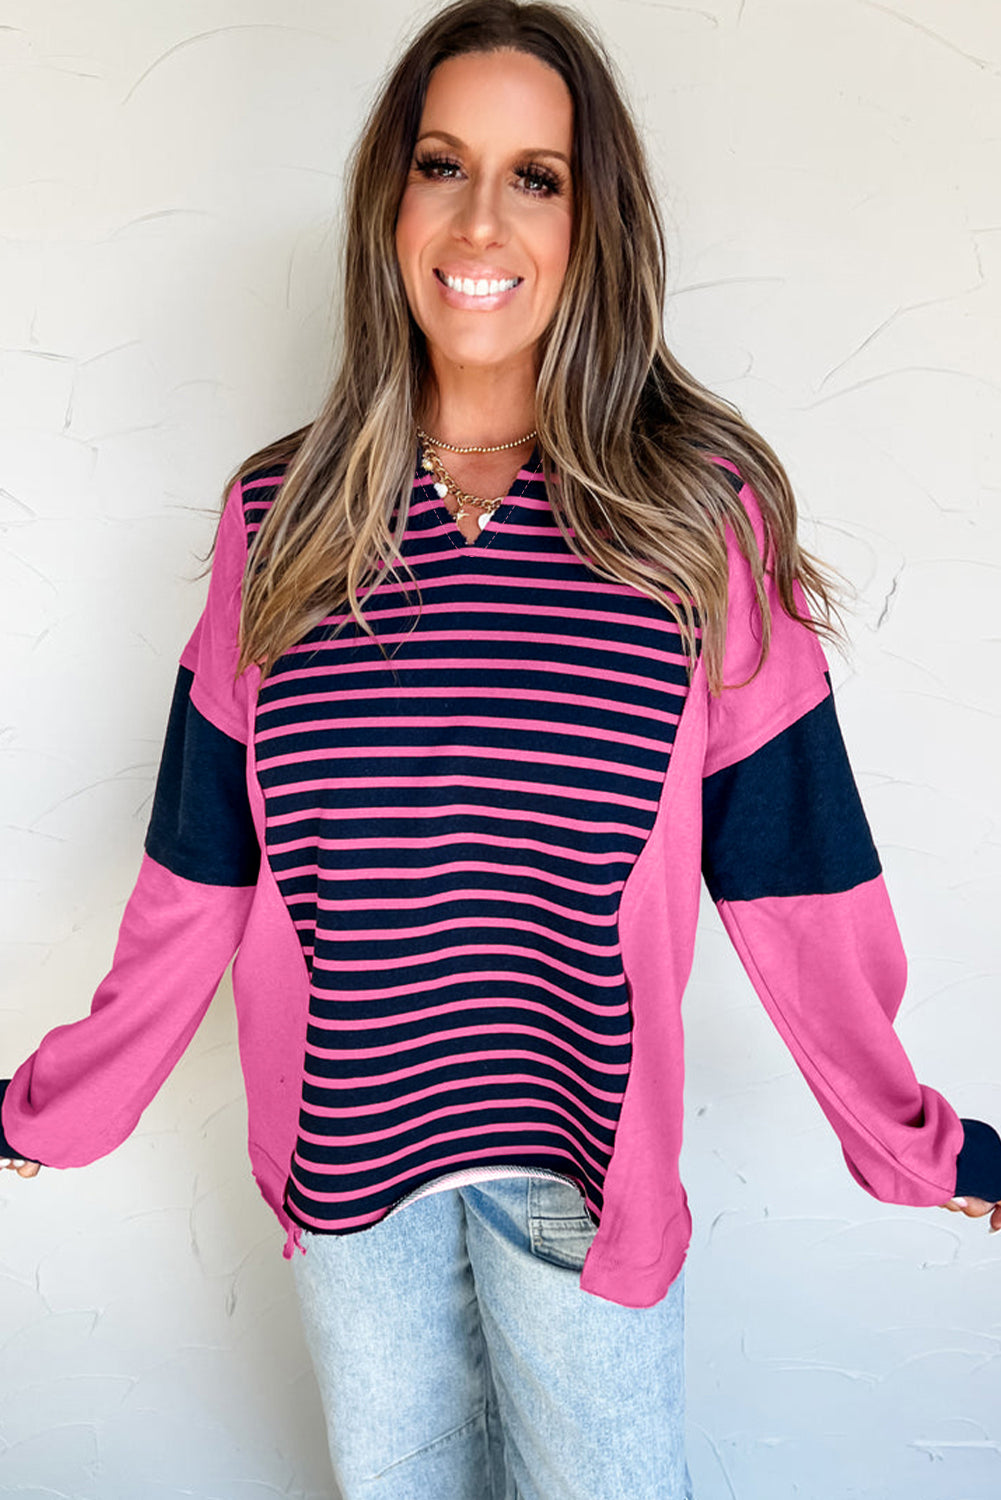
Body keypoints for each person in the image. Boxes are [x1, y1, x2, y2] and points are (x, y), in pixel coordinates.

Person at [3, 1, 1000, 1495]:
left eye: (537, 176)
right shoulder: (280, 519)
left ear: (596, 226)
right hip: (348, 1170)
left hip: (580, 1171)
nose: (481, 219)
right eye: (441, 163)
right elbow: (200, 864)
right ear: (388, 202)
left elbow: (796, 873)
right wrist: (64, 1104)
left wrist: (915, 1142)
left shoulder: (691, 522)